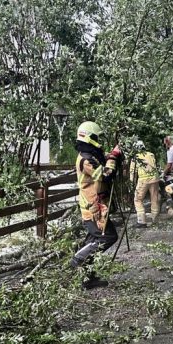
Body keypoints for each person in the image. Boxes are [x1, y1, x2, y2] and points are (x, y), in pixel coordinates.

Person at [69, 121, 122, 289]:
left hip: (96, 207)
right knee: (107, 237)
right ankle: (78, 259)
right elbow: (105, 175)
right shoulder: (86, 160)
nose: (98, 141)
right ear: (89, 137)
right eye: (96, 137)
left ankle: (88, 279)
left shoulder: (90, 156)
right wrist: (113, 158)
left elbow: (102, 162)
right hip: (93, 209)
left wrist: (113, 155)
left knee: (93, 240)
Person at [131, 140, 160, 228]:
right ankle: (155, 220)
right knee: (154, 199)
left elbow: (132, 172)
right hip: (154, 179)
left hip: (143, 180)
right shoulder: (151, 155)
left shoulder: (135, 157)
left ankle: (141, 221)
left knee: (138, 199)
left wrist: (132, 183)